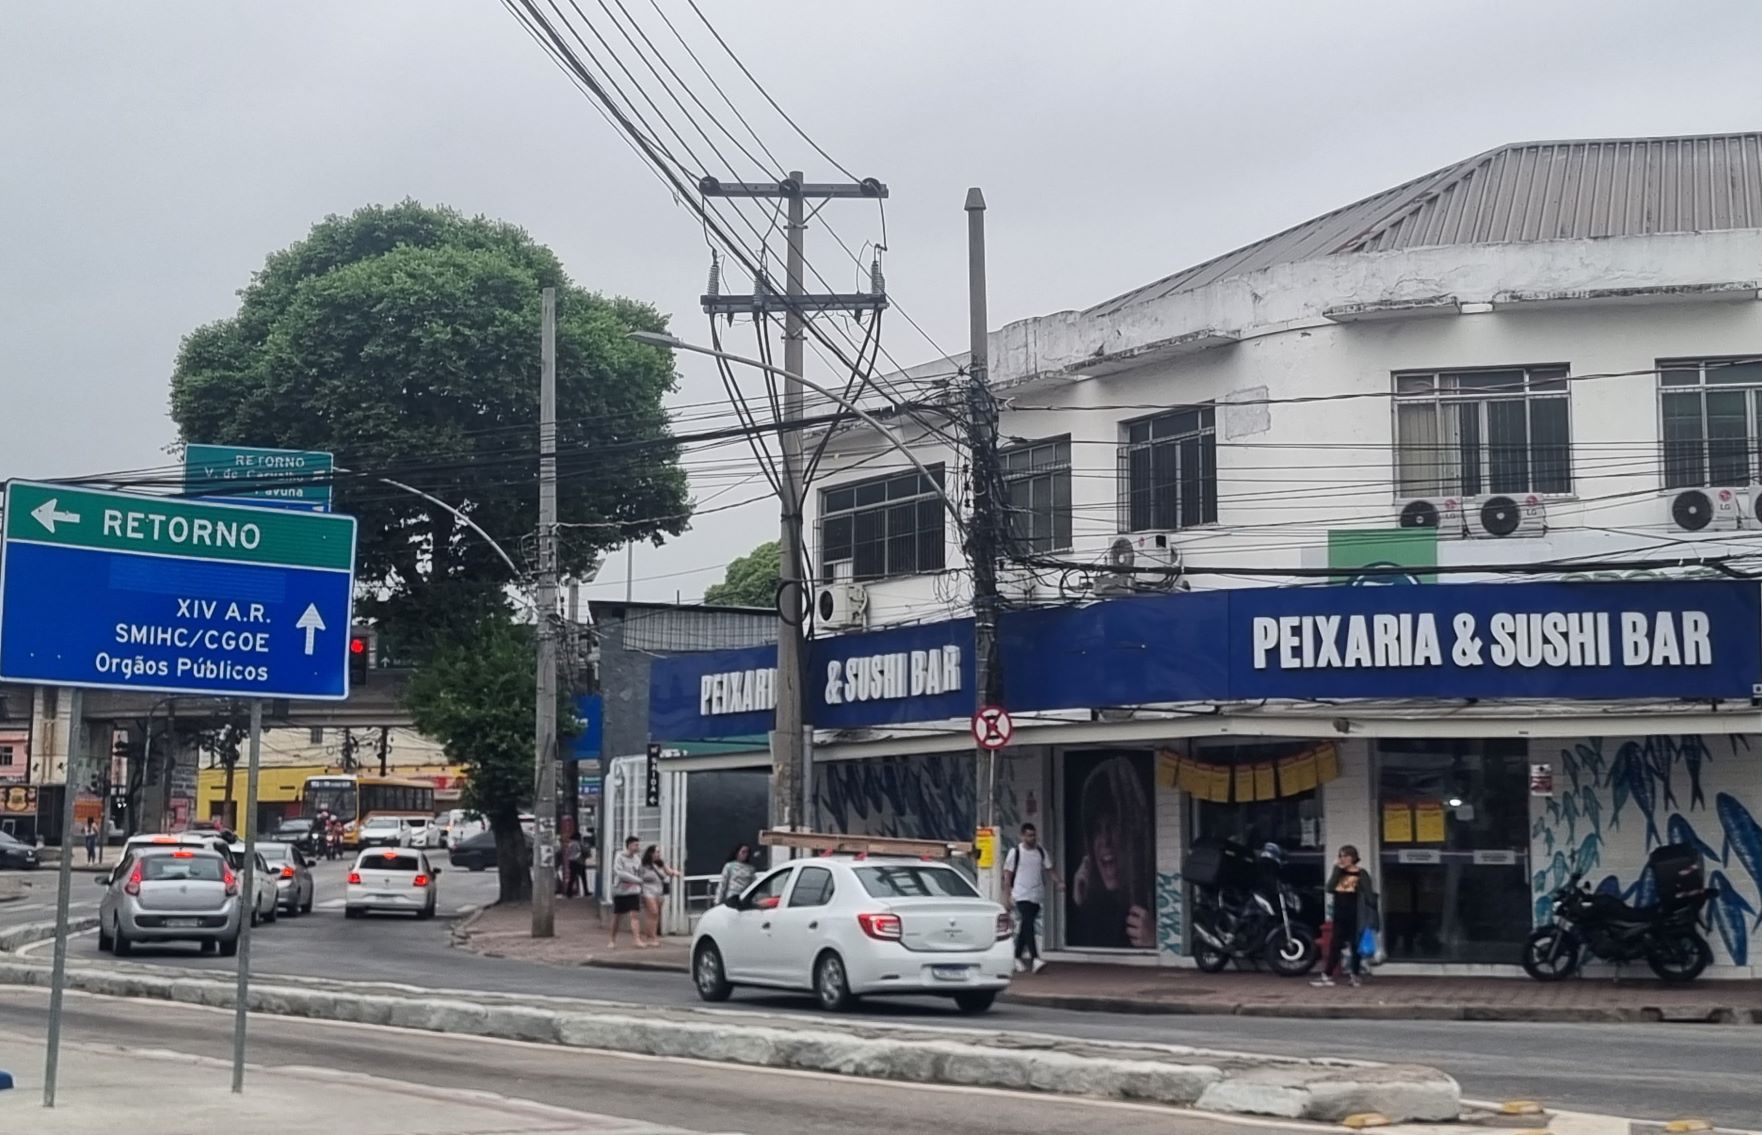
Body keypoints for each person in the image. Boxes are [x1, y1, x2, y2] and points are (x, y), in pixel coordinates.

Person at [1069, 755, 1155, 949]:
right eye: (1097, 830)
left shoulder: (1149, 898)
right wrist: (1081, 904)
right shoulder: (1096, 909)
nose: (1105, 840)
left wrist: (1156, 941)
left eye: (1114, 826)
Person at [1313, 844, 1379, 988]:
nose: (1343, 859)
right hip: (1340, 913)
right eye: (1341, 856)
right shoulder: (1340, 873)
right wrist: (1337, 869)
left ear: (1353, 858)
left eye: (1346, 856)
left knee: (1355, 945)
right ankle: (1327, 974)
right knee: (1335, 944)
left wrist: (1371, 913)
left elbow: (1369, 895)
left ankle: (1355, 975)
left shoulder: (1361, 874)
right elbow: (1329, 888)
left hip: (1356, 914)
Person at [1002, 822, 1061, 973]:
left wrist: (1059, 882)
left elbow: (1049, 869)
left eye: (1033, 835)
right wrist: (1007, 895)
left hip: (1036, 894)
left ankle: (1015, 956)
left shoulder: (1040, 852)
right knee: (1028, 922)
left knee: (1026, 926)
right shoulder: (1015, 852)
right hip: (1021, 893)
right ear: (1022, 836)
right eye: (1028, 835)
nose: (1032, 838)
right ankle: (1035, 958)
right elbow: (1007, 875)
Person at [638, 844, 682, 947]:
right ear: (651, 853)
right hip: (647, 891)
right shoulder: (644, 865)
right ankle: (651, 937)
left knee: (655, 915)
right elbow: (639, 877)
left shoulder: (661, 864)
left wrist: (676, 873)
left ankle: (651, 935)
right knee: (653, 911)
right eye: (656, 852)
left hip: (659, 891)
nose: (658, 854)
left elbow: (669, 871)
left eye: (659, 852)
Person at [608, 836, 645, 948]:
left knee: (634, 915)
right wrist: (638, 880)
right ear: (629, 845)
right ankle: (612, 940)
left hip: (633, 891)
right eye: (635, 845)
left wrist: (640, 884)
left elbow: (640, 872)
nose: (637, 847)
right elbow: (620, 873)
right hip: (621, 891)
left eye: (638, 845)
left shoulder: (637, 859)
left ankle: (637, 939)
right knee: (617, 916)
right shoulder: (619, 857)